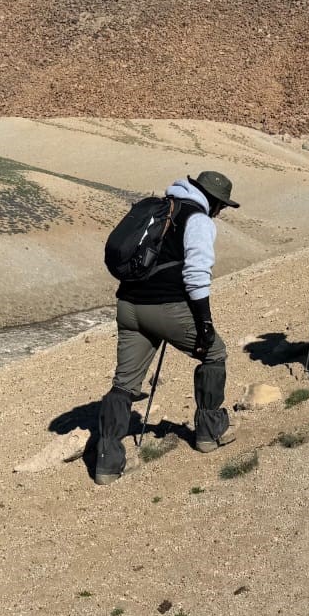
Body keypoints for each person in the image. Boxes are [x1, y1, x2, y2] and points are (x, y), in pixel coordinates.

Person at [95, 171, 240, 484]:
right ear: (214, 201)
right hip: (165, 308)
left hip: (128, 306)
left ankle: (107, 462)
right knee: (215, 353)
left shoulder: (164, 208)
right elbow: (196, 275)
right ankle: (209, 432)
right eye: (221, 206)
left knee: (124, 383)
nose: (220, 212)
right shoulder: (198, 219)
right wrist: (205, 324)